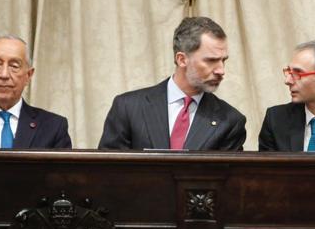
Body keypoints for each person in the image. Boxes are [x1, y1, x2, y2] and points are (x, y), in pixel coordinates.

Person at [98, 17, 246, 150]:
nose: (221, 70)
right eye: (211, 60)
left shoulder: (230, 121)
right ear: (182, 59)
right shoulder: (128, 107)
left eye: (223, 60)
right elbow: (109, 172)